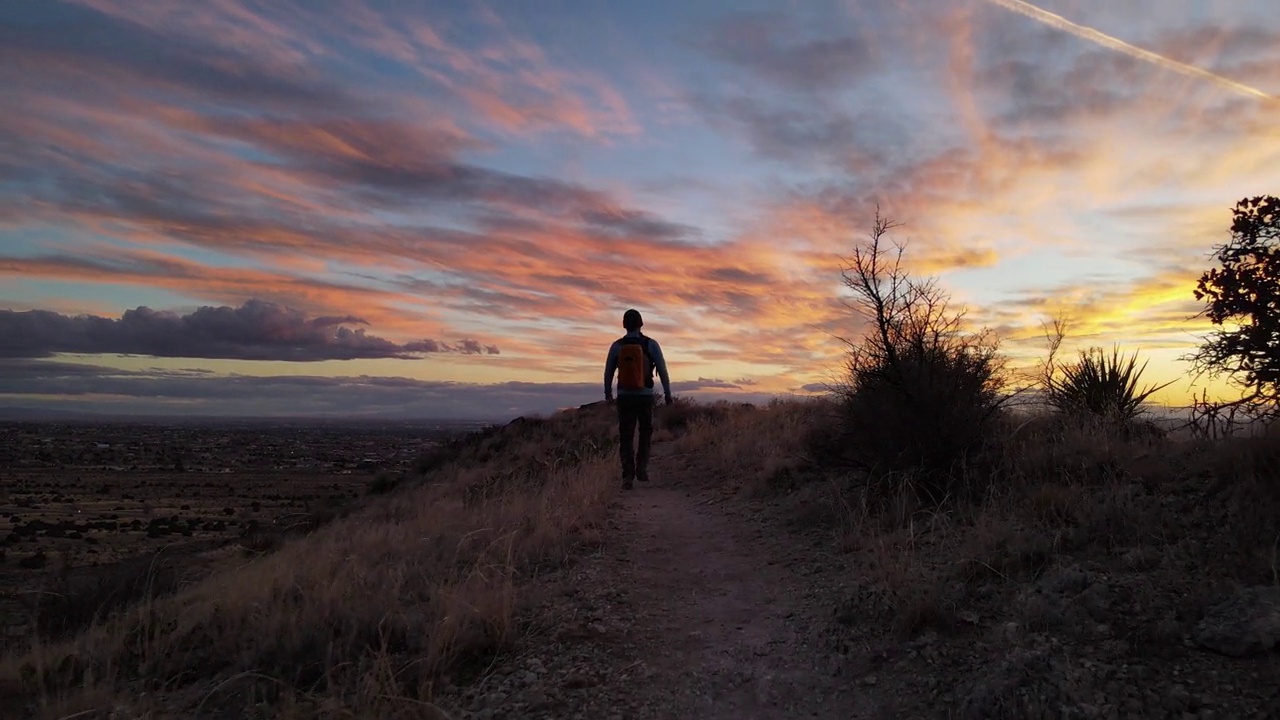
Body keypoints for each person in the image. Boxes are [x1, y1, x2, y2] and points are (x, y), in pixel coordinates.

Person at [604, 309, 671, 489]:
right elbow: (663, 371)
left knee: (626, 435)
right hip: (645, 396)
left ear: (624, 325)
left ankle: (627, 475)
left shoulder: (617, 346)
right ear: (641, 323)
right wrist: (668, 394)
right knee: (645, 432)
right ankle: (642, 468)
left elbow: (609, 371)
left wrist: (608, 393)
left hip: (624, 396)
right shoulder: (651, 345)